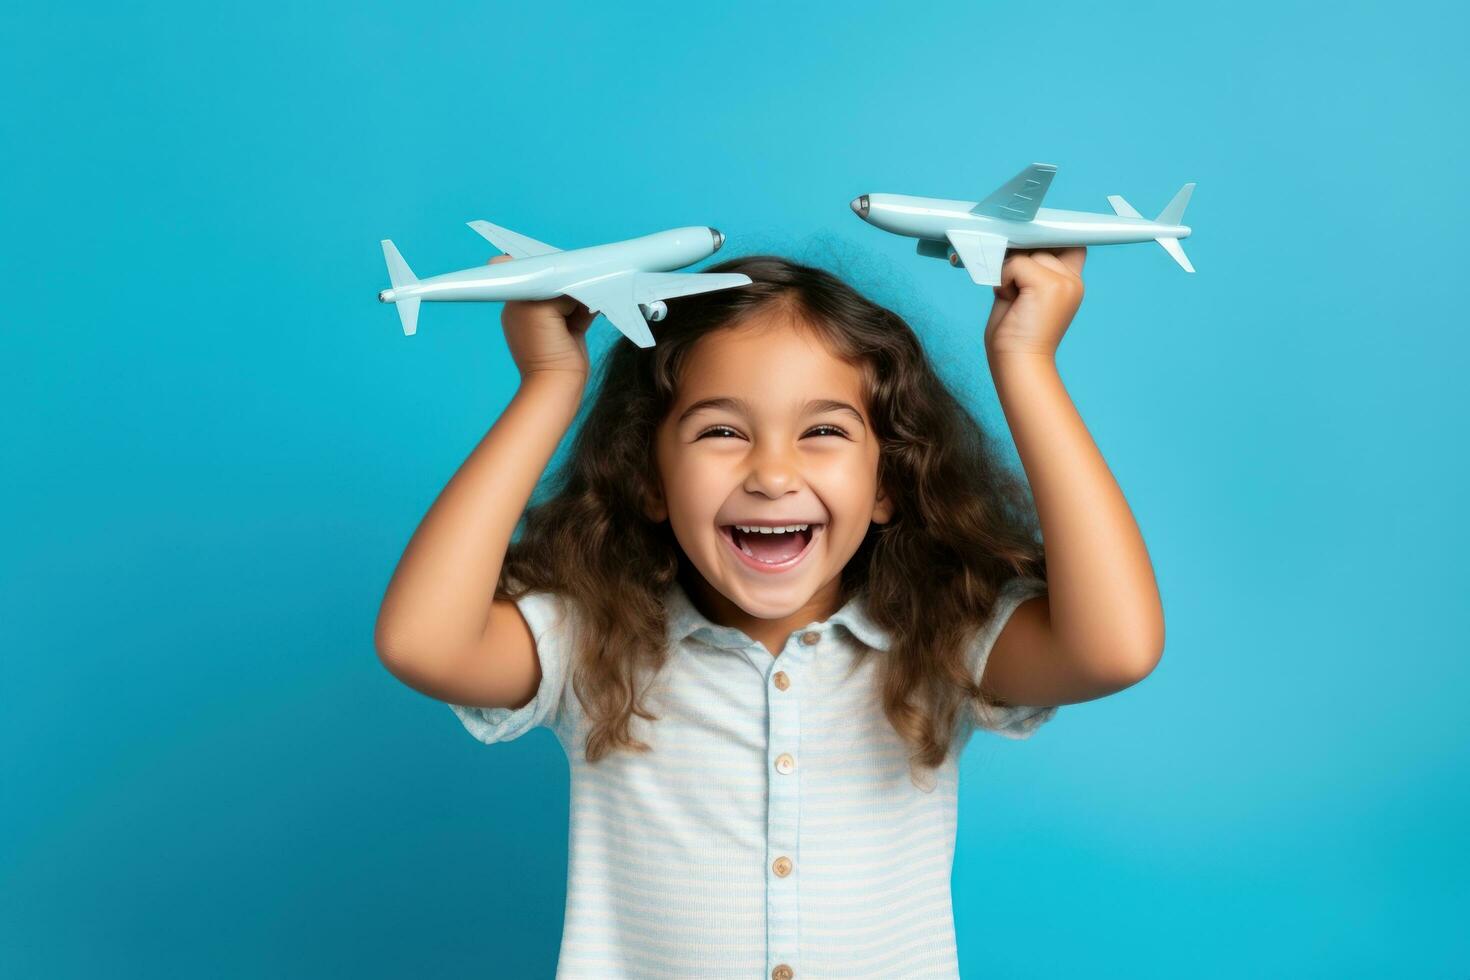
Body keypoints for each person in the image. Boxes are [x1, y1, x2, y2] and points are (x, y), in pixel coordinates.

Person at [374, 246, 1164, 979]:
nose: (773, 473)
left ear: (888, 483)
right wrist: (548, 383)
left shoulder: (938, 638)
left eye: (823, 431)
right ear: (648, 477)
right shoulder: (594, 637)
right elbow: (422, 643)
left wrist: (1026, 363)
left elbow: (1115, 649)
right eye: (722, 431)